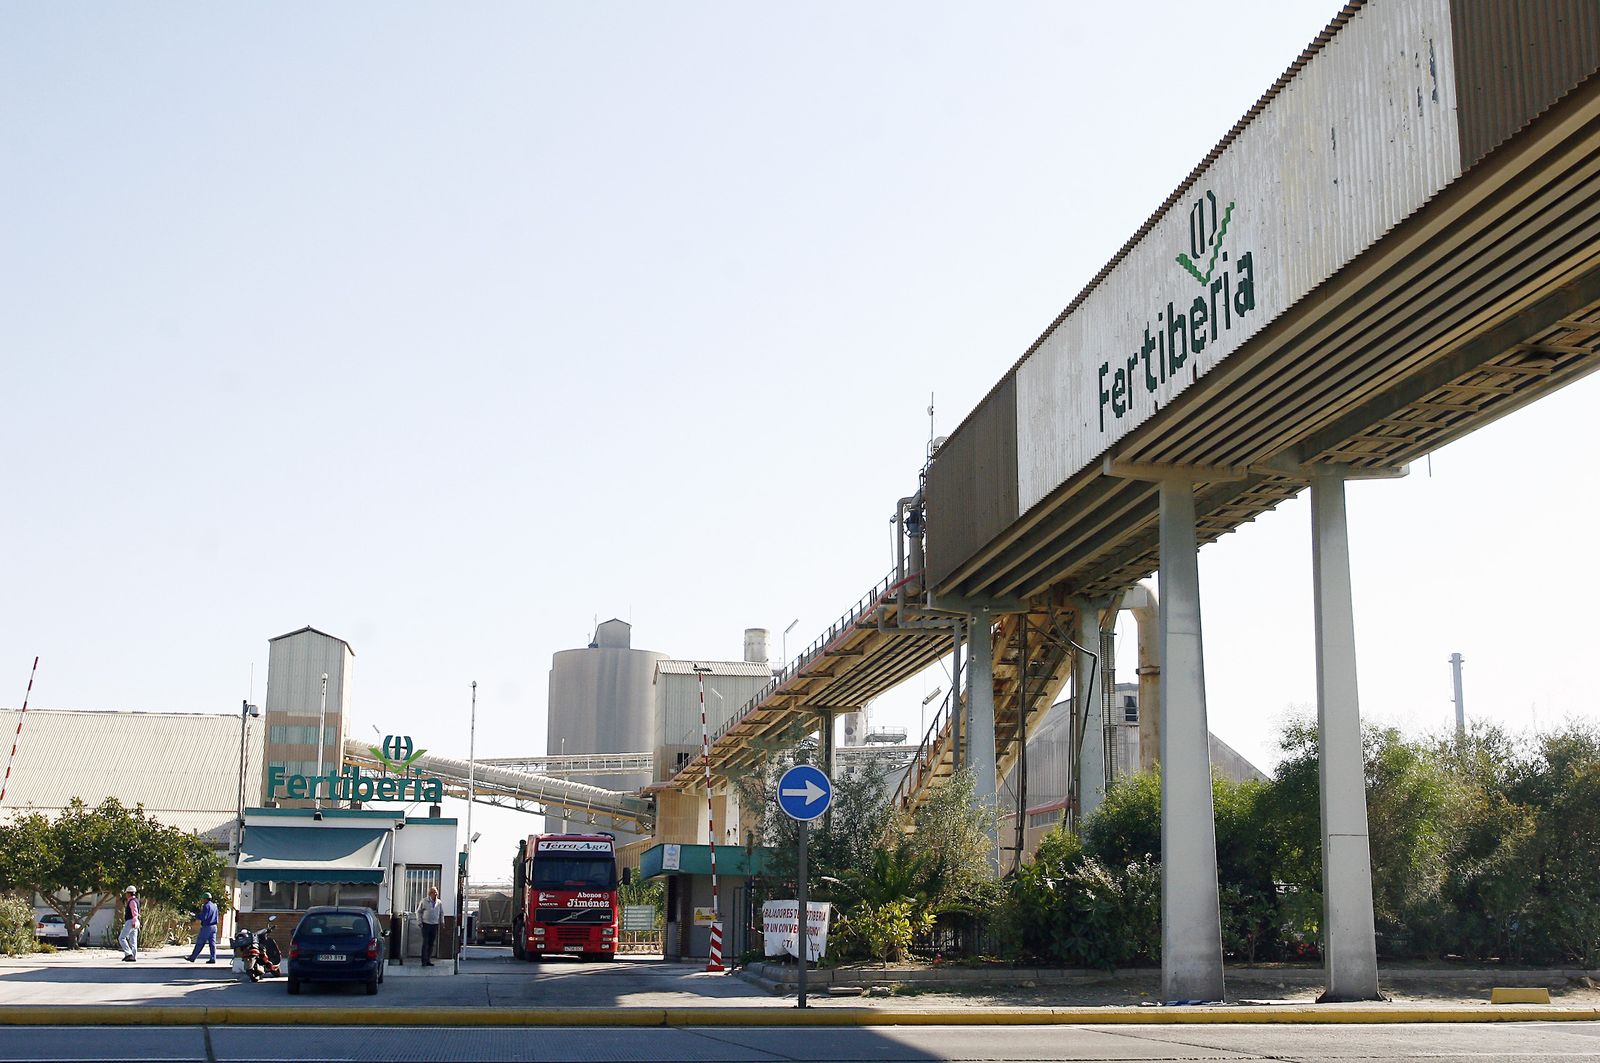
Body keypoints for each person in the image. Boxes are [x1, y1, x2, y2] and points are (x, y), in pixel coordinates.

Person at [185, 891, 219, 964]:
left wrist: (195, 915)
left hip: (207, 927)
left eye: (203, 899)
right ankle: (213, 958)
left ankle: (192, 957)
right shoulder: (214, 906)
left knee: (200, 942)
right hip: (214, 926)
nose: (202, 900)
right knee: (212, 944)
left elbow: (204, 917)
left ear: (205, 899)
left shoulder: (206, 906)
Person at [416, 885, 443, 966]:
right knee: (425, 942)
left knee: (431, 943)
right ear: (430, 893)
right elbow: (418, 911)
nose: (436, 894)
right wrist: (419, 922)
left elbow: (441, 912)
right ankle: (423, 961)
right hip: (426, 924)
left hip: (434, 924)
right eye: (434, 893)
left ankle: (428, 960)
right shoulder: (424, 901)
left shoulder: (439, 902)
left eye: (436, 893)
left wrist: (442, 921)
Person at [118, 886, 140, 962]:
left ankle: (129, 954)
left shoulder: (132, 901)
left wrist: (134, 921)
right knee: (133, 940)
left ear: (129, 893)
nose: (126, 895)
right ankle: (133, 956)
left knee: (121, 938)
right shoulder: (135, 900)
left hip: (131, 921)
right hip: (134, 921)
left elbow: (135, 912)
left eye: (126, 893)